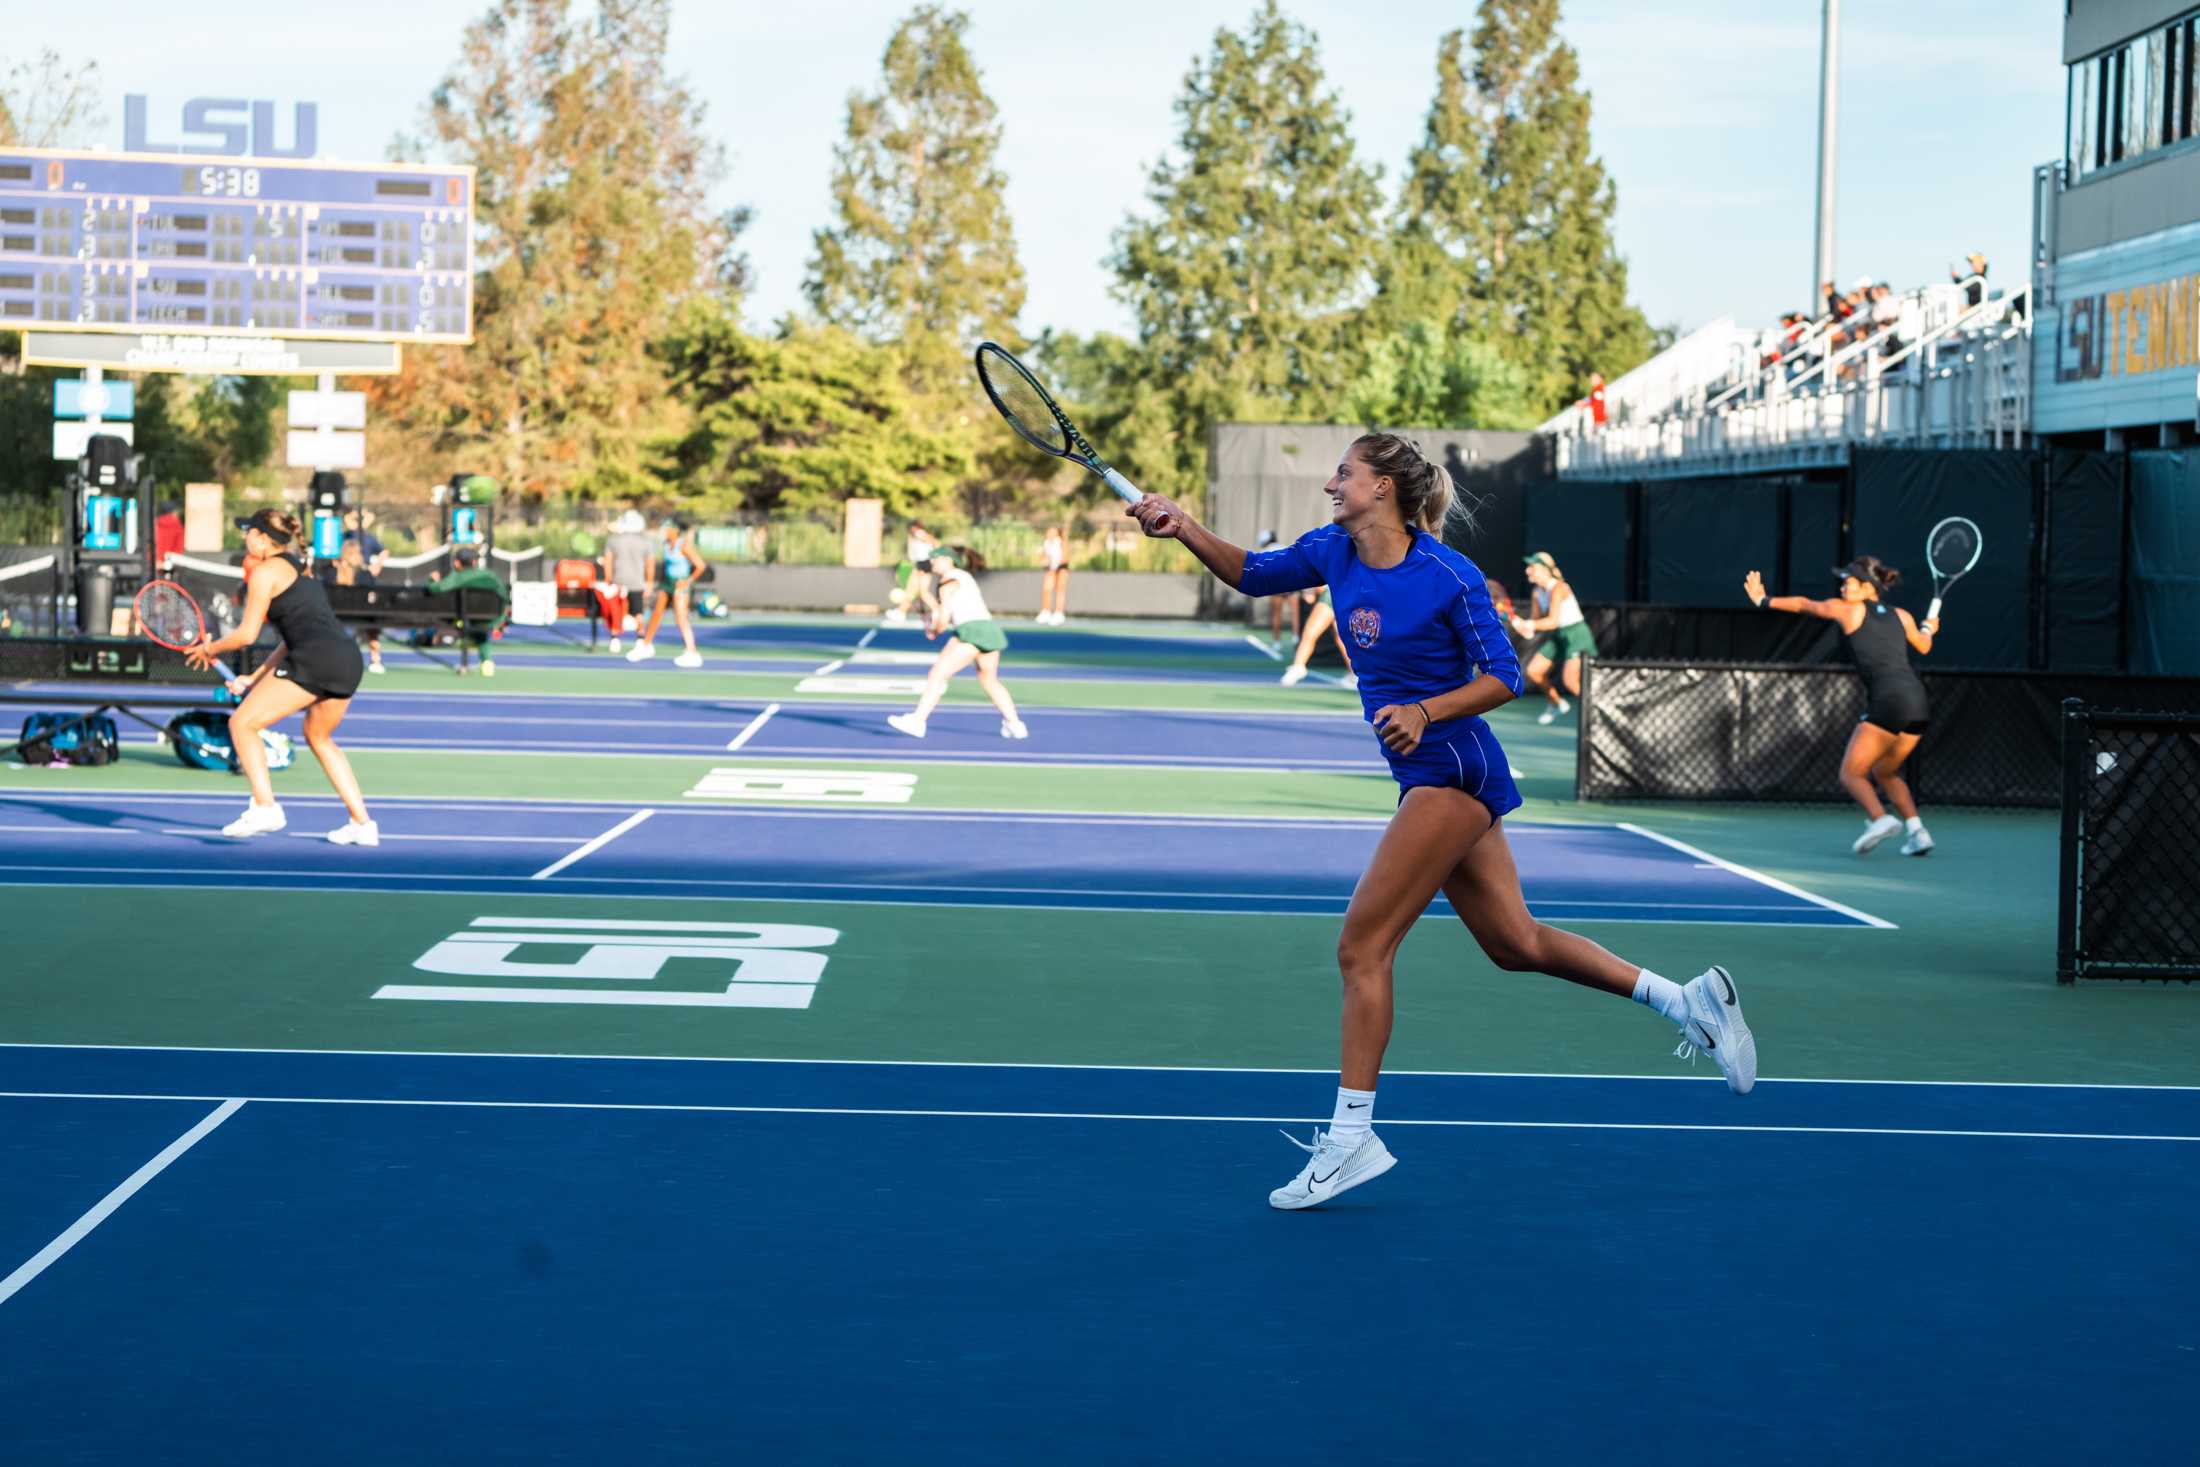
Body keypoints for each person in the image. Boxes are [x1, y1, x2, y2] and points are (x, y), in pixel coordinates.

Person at [1128, 432, 1755, 1210]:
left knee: (1362, 945)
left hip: (1453, 766)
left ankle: (1353, 1136)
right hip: (1436, 773)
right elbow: (1252, 572)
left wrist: (1426, 710)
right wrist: (1183, 525)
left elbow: (1506, 676)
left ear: (1385, 487)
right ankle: (1684, 998)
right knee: (1515, 943)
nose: (1332, 484)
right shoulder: (1333, 550)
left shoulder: (1447, 575)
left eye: (1345, 473)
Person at [184, 509, 377, 846]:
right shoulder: (296, 568)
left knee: (242, 724)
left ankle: (265, 806)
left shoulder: (264, 574)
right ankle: (363, 823)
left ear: (260, 538)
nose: (244, 538)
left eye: (247, 532)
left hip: (316, 659)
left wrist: (210, 648)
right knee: (319, 738)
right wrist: (253, 678)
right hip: (346, 659)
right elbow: (291, 640)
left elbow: (245, 635)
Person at [1745, 557, 1938, 856]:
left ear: (1867, 587)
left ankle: (1880, 819)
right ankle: (1918, 832)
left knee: (1851, 774)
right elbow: (1923, 645)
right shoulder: (1902, 616)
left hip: (1888, 701)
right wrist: (1928, 627)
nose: (1843, 586)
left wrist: (1763, 600)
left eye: (1849, 581)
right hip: (1917, 704)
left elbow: (1804, 604)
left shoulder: (1849, 610)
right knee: (1886, 772)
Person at [887, 550, 1028, 741]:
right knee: (989, 680)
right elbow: (943, 610)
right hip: (989, 630)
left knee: (937, 674)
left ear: (948, 560)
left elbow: (944, 616)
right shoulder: (964, 577)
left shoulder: (949, 580)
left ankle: (918, 721)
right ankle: (1015, 724)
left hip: (971, 632)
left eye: (936, 559)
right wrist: (924, 594)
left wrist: (936, 630)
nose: (933, 563)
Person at [1511, 551, 1598, 724]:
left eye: (1532, 567)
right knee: (1534, 671)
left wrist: (1531, 625)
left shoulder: (1559, 587)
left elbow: (1552, 621)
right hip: (1559, 635)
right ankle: (1556, 703)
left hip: (1576, 635)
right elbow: (1536, 622)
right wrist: (1524, 626)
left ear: (1544, 569)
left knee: (1571, 682)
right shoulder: (1537, 592)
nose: (1528, 570)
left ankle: (1598, 712)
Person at [627, 516, 708, 668]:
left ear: (674, 530)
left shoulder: (683, 545)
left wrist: (687, 581)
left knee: (681, 618)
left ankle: (692, 652)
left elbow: (700, 566)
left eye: (666, 528)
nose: (663, 531)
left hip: (680, 584)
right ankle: (646, 645)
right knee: (656, 614)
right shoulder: (665, 545)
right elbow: (666, 566)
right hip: (667, 583)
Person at [426, 545, 511, 677]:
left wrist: (431, 580)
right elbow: (504, 596)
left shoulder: (458, 577)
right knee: (481, 633)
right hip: (491, 618)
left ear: (457, 563)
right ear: (474, 562)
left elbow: (436, 589)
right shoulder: (490, 575)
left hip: (462, 619)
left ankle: (465, 643)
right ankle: (486, 661)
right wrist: (500, 619)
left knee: (465, 624)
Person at [1278, 585, 1354, 689]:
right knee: (1341, 637)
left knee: (1310, 632)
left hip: (1333, 593)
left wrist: (1309, 591)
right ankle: (1355, 672)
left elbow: (1311, 596)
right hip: (1344, 592)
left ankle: (1298, 666)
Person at [600, 509, 652, 653]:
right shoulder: (645, 541)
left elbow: (608, 562)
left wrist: (608, 580)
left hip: (618, 581)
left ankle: (614, 638)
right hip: (637, 582)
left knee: (616, 611)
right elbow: (650, 563)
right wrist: (649, 582)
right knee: (638, 612)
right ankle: (640, 639)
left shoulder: (614, 540)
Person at [1037, 525, 1070, 625]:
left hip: (1061, 568)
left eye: (1053, 531)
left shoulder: (1061, 543)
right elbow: (1043, 558)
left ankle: (1059, 613)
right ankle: (1046, 612)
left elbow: (1065, 558)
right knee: (1046, 589)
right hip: (1051, 569)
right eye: (1049, 531)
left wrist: (1056, 565)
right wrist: (1044, 561)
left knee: (1060, 590)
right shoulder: (1046, 543)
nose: (1050, 533)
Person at [153, 500, 184, 571]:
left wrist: (156, 561)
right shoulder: (178, 526)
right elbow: (179, 547)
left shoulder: (155, 524)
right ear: (173, 512)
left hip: (154, 564)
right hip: (169, 564)